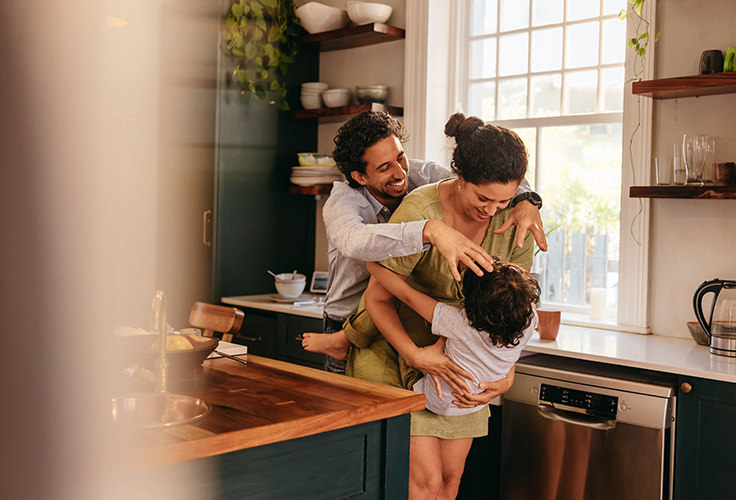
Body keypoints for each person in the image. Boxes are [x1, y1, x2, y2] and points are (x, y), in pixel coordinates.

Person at [341, 113, 536, 499]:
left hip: (460, 372)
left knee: (448, 484)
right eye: (483, 198)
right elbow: (379, 295)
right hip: (397, 356)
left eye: (504, 200)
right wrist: (415, 355)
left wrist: (505, 377)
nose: (492, 210)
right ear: (459, 178)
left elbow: (514, 316)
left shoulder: (517, 223)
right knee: (423, 485)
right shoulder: (420, 210)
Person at [304, 111, 546, 383]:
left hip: (399, 310)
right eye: (385, 168)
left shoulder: (420, 174)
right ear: (360, 177)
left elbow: (489, 174)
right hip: (349, 314)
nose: (400, 172)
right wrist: (429, 230)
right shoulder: (343, 202)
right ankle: (342, 340)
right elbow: (353, 241)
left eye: (400, 156)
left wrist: (527, 200)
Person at [364, 257, 539, 417]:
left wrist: (372, 265)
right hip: (475, 402)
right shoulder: (530, 321)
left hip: (433, 398)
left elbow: (407, 296)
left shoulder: (459, 322)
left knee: (409, 322)